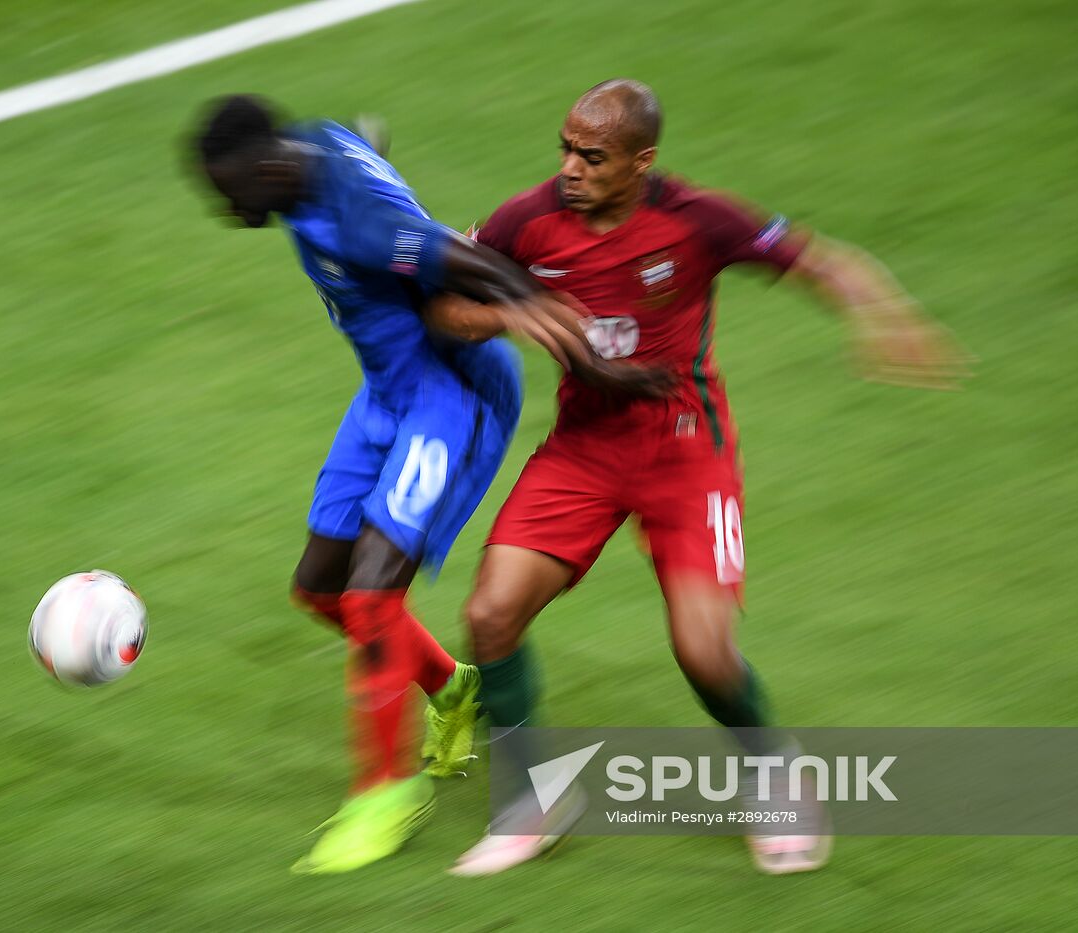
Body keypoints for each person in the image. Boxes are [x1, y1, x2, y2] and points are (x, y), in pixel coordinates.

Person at [424, 79, 971, 876]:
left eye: (592, 156)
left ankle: (776, 772)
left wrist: (886, 315)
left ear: (641, 161)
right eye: (566, 148)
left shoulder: (698, 218)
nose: (570, 167)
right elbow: (443, 308)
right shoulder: (527, 219)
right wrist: (516, 314)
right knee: (490, 612)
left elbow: (818, 260)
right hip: (583, 450)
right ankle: (532, 801)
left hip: (686, 453)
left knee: (705, 650)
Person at [186, 95, 669, 875]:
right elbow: (358, 144)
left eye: (229, 192)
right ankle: (453, 690)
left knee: (373, 594)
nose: (225, 210)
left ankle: (386, 794)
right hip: (386, 394)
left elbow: (475, 268)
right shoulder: (308, 147)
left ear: (269, 168)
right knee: (319, 588)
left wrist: (585, 354)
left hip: (451, 397)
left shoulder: (363, 226)